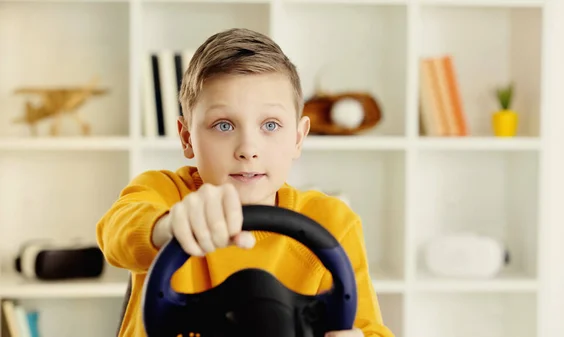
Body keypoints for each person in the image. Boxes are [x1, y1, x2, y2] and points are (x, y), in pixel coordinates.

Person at [96, 28, 394, 337]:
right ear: (187, 138)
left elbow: (370, 329)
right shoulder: (165, 195)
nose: (248, 149)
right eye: (224, 125)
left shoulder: (333, 222)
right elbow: (116, 235)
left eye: (270, 125)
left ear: (297, 137)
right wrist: (168, 227)